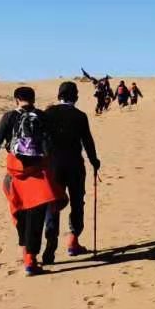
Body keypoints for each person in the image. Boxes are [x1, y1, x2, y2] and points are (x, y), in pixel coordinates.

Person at [0, 86, 65, 276]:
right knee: (36, 217)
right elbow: (53, 143)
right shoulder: (42, 117)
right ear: (33, 99)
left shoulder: (9, 117)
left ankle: (25, 254)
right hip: (40, 174)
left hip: (15, 173)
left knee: (20, 214)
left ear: (16, 100)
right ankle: (30, 260)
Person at [43, 81, 100, 263]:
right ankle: (73, 241)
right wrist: (94, 161)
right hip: (75, 165)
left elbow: (42, 139)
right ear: (75, 96)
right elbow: (87, 141)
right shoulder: (80, 116)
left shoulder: (48, 114)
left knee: (53, 203)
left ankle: (51, 244)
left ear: (59, 95)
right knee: (77, 202)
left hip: (52, 165)